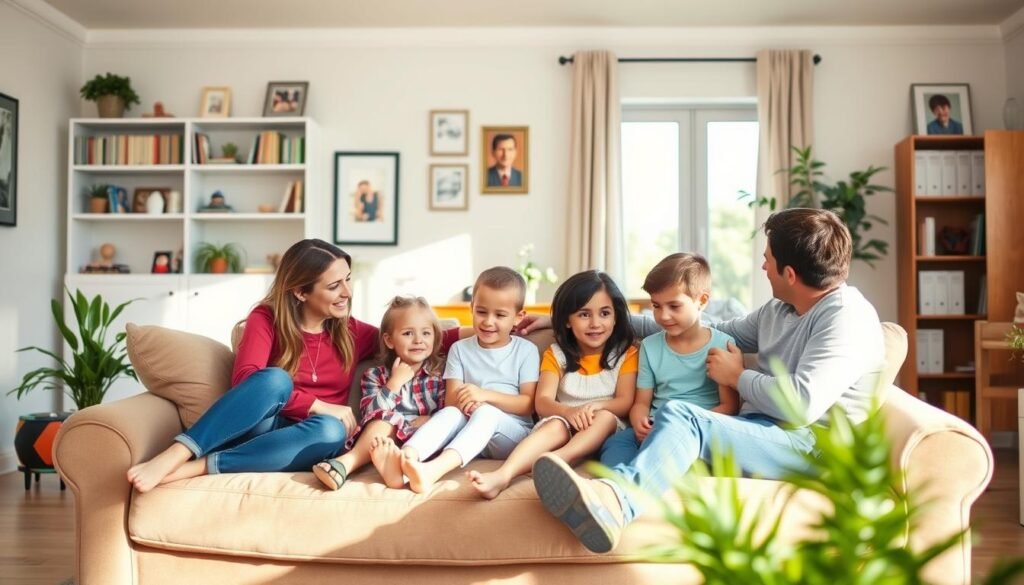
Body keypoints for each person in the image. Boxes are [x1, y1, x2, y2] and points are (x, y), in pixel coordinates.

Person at [528, 208, 885, 554]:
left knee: (682, 416)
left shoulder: (846, 318)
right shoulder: (779, 310)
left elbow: (803, 403)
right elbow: (702, 330)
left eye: (768, 259)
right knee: (626, 438)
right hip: (762, 429)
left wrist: (738, 376)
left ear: (789, 274)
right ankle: (605, 491)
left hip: (813, 446)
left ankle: (618, 503)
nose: (763, 266)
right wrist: (562, 322)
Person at [126, 238, 462, 493]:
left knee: (333, 431)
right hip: (256, 426)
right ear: (301, 292)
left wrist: (498, 329)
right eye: (334, 285)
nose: (347, 292)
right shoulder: (266, 318)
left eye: (347, 279)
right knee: (274, 379)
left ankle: (201, 467)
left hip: (298, 440)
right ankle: (177, 453)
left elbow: (426, 339)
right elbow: (247, 380)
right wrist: (318, 405)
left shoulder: (349, 329)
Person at [467, 270, 637, 500]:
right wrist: (568, 411)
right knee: (554, 425)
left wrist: (592, 408)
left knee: (605, 417)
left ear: (615, 317)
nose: (596, 323)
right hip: (566, 424)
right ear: (567, 320)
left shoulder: (626, 354)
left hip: (606, 429)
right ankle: (502, 475)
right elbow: (542, 402)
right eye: (584, 314)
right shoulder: (556, 355)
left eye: (605, 313)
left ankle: (557, 460)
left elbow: (625, 401)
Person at [398, 266, 540, 493]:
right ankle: (406, 457)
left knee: (486, 412)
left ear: (518, 317)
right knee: (451, 413)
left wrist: (484, 397)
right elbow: (451, 403)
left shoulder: (526, 351)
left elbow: (527, 404)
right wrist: (470, 404)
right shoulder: (459, 350)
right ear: (472, 307)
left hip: (511, 435)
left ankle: (432, 471)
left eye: (500, 315)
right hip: (469, 430)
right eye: (481, 312)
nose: (488, 322)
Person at [599, 253, 739, 469]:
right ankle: (616, 485)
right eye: (656, 306)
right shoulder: (650, 346)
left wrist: (678, 427)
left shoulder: (723, 345)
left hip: (697, 430)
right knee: (615, 443)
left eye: (674, 306)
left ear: (701, 301)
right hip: (654, 427)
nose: (663, 316)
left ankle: (631, 482)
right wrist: (639, 424)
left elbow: (729, 406)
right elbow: (641, 403)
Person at [313, 296, 447, 490]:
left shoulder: (439, 374)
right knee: (384, 419)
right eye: (408, 333)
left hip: (421, 441)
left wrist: (431, 418)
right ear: (389, 340)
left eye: (426, 333)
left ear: (434, 337)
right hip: (382, 442)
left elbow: (450, 411)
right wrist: (394, 383)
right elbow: (370, 414)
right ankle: (363, 463)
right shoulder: (375, 375)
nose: (419, 340)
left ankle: (396, 467)